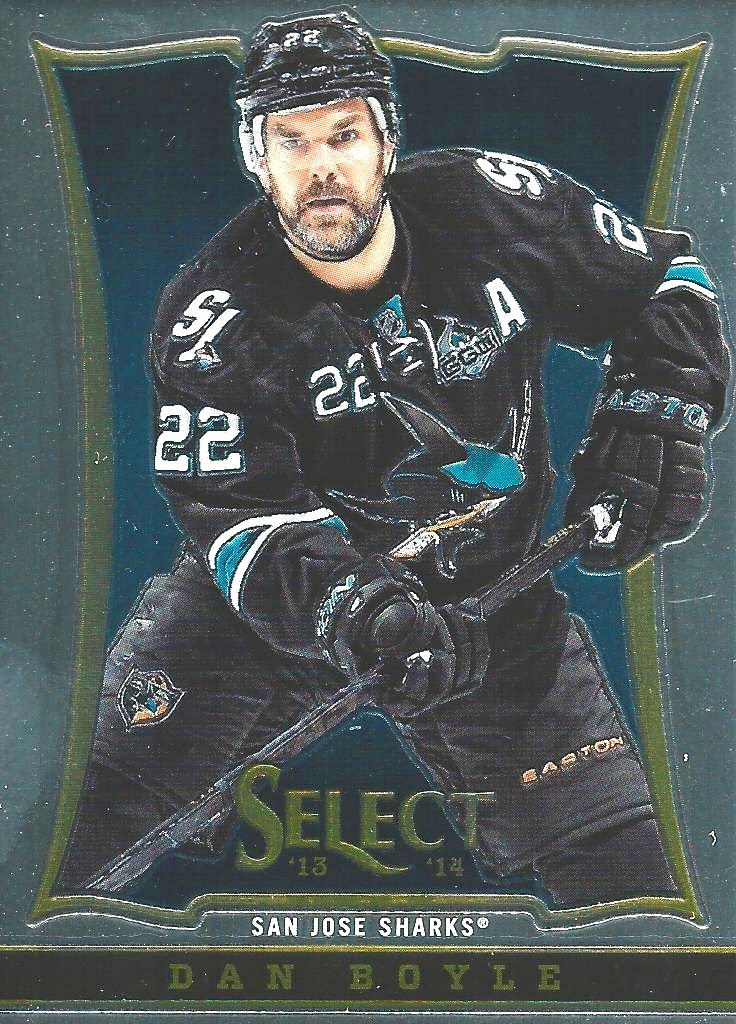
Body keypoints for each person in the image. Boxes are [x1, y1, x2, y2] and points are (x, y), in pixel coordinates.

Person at [55, 10, 729, 907]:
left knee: (630, 890)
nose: (321, 168)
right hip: (271, 605)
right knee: (75, 829)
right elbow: (243, 521)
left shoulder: (499, 206)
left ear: (387, 142)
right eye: (292, 142)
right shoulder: (211, 318)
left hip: (493, 595)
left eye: (344, 134)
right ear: (256, 157)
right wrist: (358, 607)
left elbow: (667, 281)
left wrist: (656, 419)